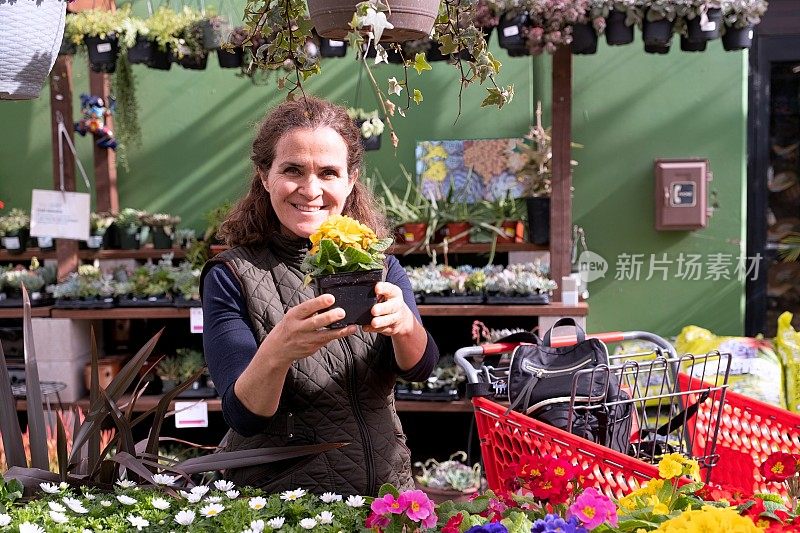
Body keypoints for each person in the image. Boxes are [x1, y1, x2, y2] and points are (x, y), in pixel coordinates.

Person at [200, 96, 439, 496]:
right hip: (287, 506)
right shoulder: (232, 276)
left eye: (328, 172)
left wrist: (403, 326)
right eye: (292, 170)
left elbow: (421, 367)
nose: (310, 189)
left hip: (384, 494)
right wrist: (279, 349)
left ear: (350, 179)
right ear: (264, 175)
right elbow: (245, 417)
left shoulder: (379, 265)